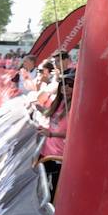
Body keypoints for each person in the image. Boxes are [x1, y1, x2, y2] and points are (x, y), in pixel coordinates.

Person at [38, 71, 72, 201]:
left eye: (70, 85)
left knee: (52, 191)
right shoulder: (57, 102)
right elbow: (51, 122)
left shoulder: (75, 107)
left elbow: (71, 133)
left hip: (59, 154)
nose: (66, 87)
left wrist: (52, 134)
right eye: (63, 84)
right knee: (42, 186)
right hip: (46, 151)